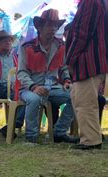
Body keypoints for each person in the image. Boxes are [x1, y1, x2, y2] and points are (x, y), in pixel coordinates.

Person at [18, 9, 77, 144]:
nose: (53, 29)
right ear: (39, 27)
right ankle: (31, 137)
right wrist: (34, 86)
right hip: (29, 88)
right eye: (50, 25)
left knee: (76, 95)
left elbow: (63, 67)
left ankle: (59, 132)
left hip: (53, 87)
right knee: (33, 99)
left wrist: (67, 80)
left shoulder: (61, 45)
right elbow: (21, 72)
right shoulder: (26, 47)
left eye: (56, 25)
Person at [66, 0, 107, 150]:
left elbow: (81, 33)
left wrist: (70, 59)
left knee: (85, 101)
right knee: (78, 98)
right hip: (91, 59)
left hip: (88, 59)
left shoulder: (90, 2)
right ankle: (91, 136)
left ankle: (91, 140)